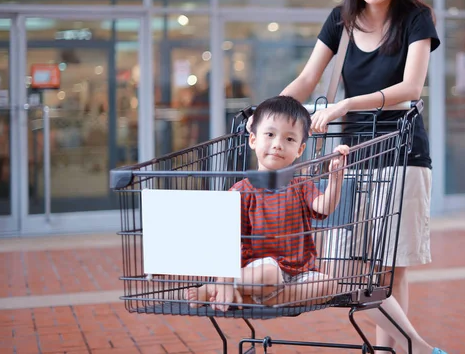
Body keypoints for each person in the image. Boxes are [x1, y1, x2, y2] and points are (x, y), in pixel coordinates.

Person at [279, 0, 440, 352]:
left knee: (391, 270)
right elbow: (308, 77)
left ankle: (393, 350)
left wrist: (347, 104)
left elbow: (411, 88)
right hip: (353, 157)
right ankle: (417, 348)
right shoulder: (340, 20)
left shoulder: (416, 18)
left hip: (402, 154)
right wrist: (268, 111)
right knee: (348, 268)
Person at [186, 96, 447, 354]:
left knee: (329, 285)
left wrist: (336, 177)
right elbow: (224, 242)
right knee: (269, 273)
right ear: (253, 140)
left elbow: (324, 207)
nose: (278, 145)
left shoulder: (300, 185)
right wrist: (221, 278)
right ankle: (224, 288)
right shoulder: (241, 191)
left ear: (300, 150)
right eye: (270, 135)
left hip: (297, 276)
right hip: (260, 271)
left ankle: (244, 296)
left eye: (289, 139)